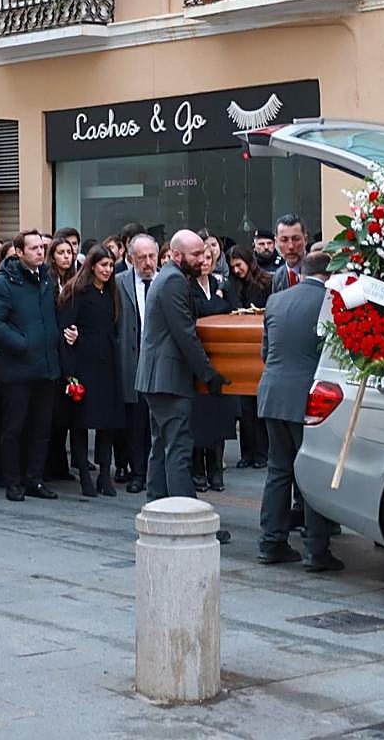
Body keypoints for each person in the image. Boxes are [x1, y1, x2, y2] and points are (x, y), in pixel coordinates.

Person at [135, 230, 231, 542]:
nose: (203, 259)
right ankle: (186, 518)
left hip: (156, 376)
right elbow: (185, 334)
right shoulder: (174, 280)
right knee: (177, 446)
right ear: (177, 256)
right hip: (168, 377)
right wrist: (209, 374)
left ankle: (156, 508)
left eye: (204, 252)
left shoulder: (168, 278)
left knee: (162, 445)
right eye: (196, 254)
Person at [256, 251, 343, 571]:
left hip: (272, 392)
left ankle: (271, 541)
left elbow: (266, 351)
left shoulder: (276, 301)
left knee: (278, 470)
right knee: (311, 471)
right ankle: (316, 550)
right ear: (329, 273)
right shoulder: (330, 303)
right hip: (308, 396)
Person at [0, 230, 72, 502]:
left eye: (41, 248)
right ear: (19, 252)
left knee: (42, 428)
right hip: (17, 369)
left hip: (45, 367)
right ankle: (13, 481)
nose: (40, 252)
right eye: (33, 248)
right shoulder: (4, 282)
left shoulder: (45, 278)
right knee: (14, 428)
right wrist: (21, 344)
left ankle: (35, 479)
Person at [57, 244, 126, 497]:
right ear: (92, 266)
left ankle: (104, 474)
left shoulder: (111, 293)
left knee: (107, 422)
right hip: (83, 362)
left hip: (107, 361)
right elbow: (66, 331)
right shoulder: (77, 292)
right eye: (103, 265)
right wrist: (69, 372)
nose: (108, 270)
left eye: (110, 265)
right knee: (81, 421)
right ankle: (85, 476)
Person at [190, 247, 239, 493]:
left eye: (209, 258)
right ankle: (198, 470)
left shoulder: (223, 284)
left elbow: (234, 309)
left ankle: (216, 471)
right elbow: (199, 310)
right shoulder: (188, 286)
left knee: (220, 416)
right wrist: (218, 303)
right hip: (198, 359)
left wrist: (219, 298)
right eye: (200, 258)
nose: (205, 263)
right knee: (199, 417)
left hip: (222, 359)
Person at [115, 233, 158, 494]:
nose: (147, 262)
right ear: (131, 258)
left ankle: (155, 473)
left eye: (151, 256)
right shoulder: (120, 283)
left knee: (156, 421)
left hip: (159, 363)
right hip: (131, 360)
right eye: (141, 257)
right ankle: (137, 472)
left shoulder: (168, 280)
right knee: (135, 421)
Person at [226, 246, 272, 471]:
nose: (236, 270)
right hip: (241, 347)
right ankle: (247, 453)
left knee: (258, 405)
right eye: (233, 266)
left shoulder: (265, 281)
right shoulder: (232, 284)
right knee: (244, 408)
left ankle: (262, 452)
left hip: (259, 345)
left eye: (239, 265)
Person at [44, 237, 80, 482]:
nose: (67, 256)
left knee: (65, 415)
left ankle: (61, 465)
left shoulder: (76, 282)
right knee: (51, 414)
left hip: (70, 350)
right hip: (52, 348)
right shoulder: (47, 281)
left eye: (69, 252)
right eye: (61, 252)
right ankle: (49, 465)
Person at [271, 214, 308, 293]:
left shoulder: (321, 273)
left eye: (296, 239)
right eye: (284, 240)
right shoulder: (278, 276)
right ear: (276, 242)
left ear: (305, 240)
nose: (291, 246)